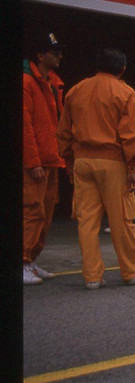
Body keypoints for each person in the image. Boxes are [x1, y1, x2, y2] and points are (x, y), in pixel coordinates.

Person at [56, 48, 135, 289]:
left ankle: (92, 276)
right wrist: (134, 167)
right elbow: (133, 134)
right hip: (113, 162)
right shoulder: (126, 93)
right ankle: (131, 271)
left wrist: (69, 160)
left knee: (86, 220)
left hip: (82, 161)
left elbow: (64, 131)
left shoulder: (75, 91)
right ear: (122, 69)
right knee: (122, 219)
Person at [23, 32, 66, 284]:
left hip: (50, 158)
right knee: (32, 210)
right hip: (37, 161)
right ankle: (22, 260)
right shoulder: (27, 82)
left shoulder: (51, 83)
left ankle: (31, 259)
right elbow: (24, 124)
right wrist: (32, 161)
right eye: (54, 52)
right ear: (40, 55)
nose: (59, 56)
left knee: (45, 212)